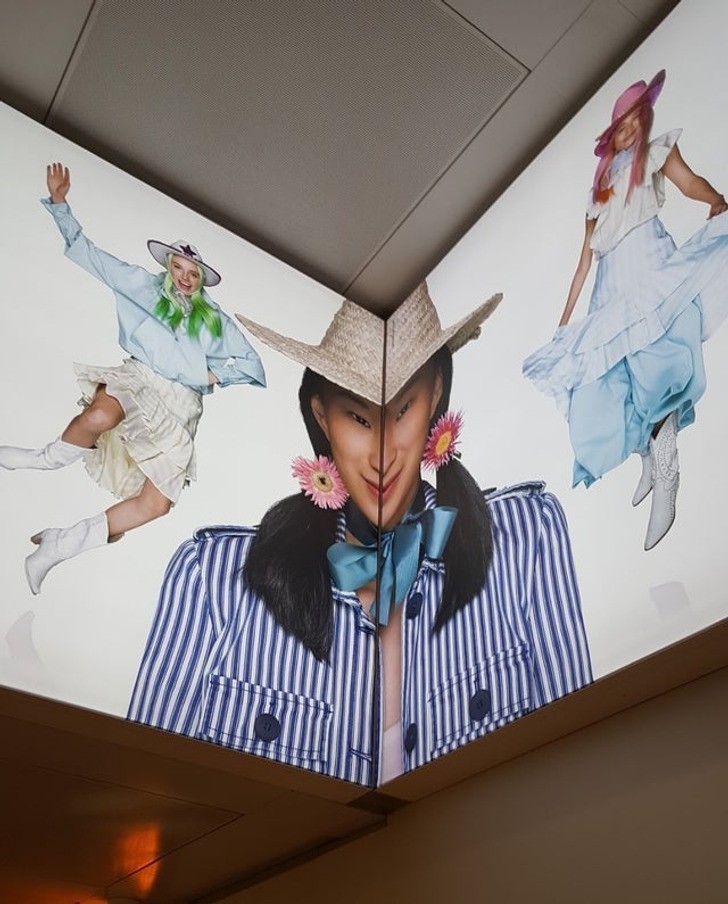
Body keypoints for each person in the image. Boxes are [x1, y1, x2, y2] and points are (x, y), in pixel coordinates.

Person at [128, 282, 592, 786]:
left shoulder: (528, 540)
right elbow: (142, 789)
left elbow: (581, 773)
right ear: (321, 416)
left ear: (436, 395)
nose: (382, 455)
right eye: (358, 417)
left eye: (403, 410)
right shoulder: (211, 582)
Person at [0, 163, 266, 594]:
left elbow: (252, 364)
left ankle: (58, 546)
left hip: (180, 404)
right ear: (169, 266)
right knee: (100, 415)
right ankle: (42, 459)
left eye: (193, 273)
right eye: (180, 267)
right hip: (139, 376)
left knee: (156, 504)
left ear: (200, 280)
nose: (185, 277)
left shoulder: (215, 320)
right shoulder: (141, 285)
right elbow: (90, 255)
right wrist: (61, 204)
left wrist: (213, 374)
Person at [523, 70, 728, 550]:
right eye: (623, 123)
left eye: (639, 118)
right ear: (611, 133)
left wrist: (717, 200)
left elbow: (689, 183)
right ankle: (649, 456)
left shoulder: (654, 153)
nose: (632, 128)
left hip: (647, 264)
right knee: (616, 381)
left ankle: (666, 466)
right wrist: (563, 324)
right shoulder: (597, 195)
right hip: (609, 287)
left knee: (655, 363)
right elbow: (583, 265)